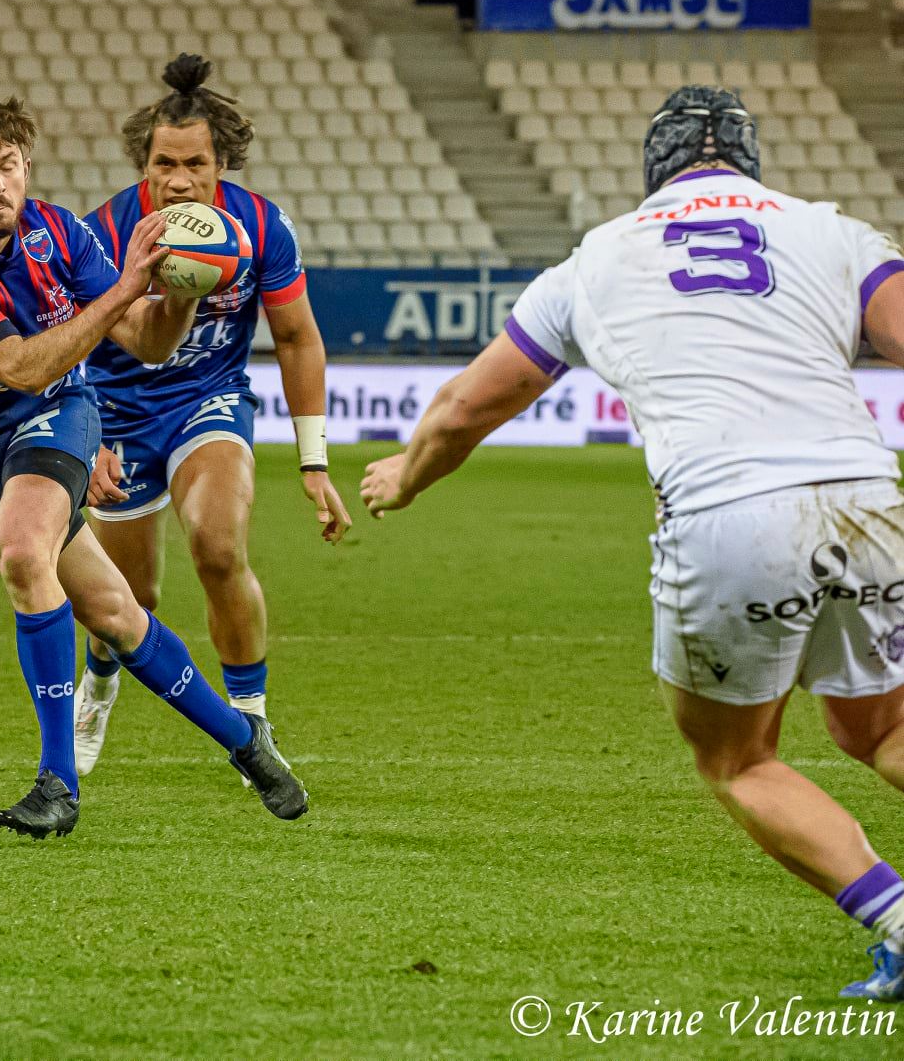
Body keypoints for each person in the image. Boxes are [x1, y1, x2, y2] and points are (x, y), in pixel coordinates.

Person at [360, 84, 904, 1001]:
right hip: (863, 495)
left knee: (739, 758)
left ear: (653, 169)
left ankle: (895, 918)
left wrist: (405, 477)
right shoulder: (831, 230)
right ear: (749, 161)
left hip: (726, 512)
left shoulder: (596, 258)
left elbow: (465, 408)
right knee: (883, 724)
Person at [0, 91, 308, 838]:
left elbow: (146, 342)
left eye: (9, 165)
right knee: (114, 612)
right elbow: (15, 364)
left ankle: (58, 782)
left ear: (26, 168)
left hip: (57, 415)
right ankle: (249, 744)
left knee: (21, 551)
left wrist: (180, 289)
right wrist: (126, 285)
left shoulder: (57, 230)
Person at [73, 54, 348, 774]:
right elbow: (128, 345)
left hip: (210, 401)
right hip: (120, 415)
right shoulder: (103, 231)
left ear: (220, 162)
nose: (180, 179)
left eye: (195, 163)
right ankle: (99, 678)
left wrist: (314, 461)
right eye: (165, 162)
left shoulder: (261, 227)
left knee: (219, 547)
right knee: (129, 597)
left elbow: (296, 337)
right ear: (145, 166)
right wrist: (88, 434)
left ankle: (252, 723)